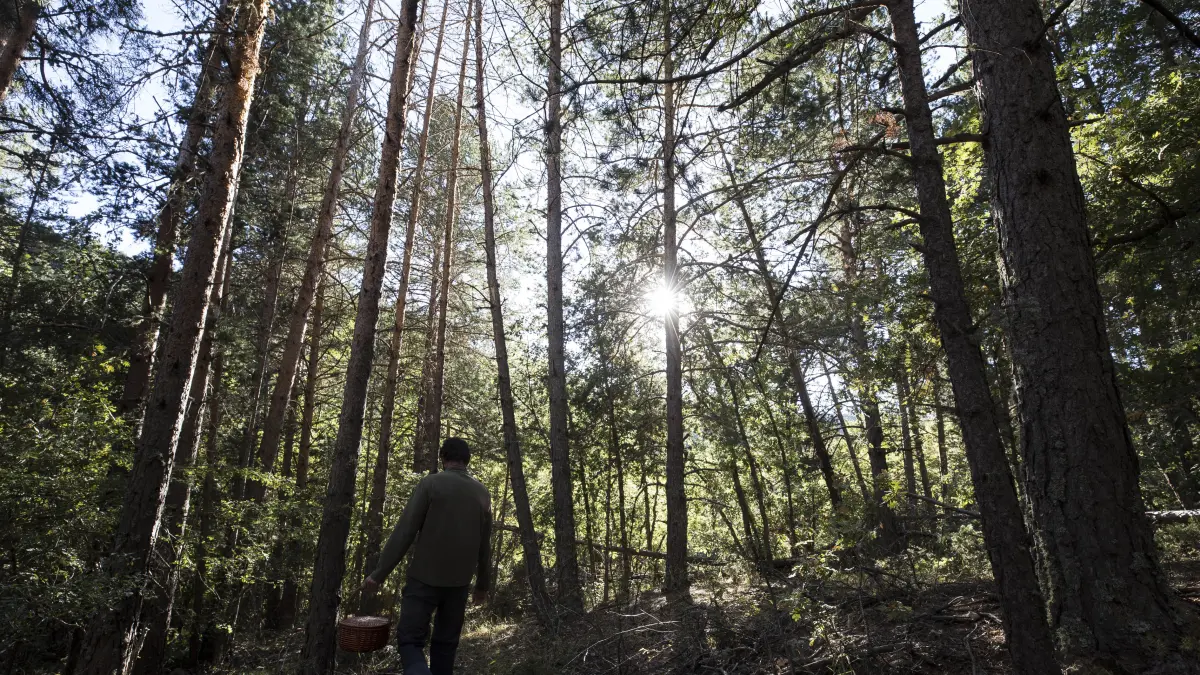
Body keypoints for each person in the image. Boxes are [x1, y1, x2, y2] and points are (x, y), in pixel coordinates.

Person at [361, 437, 492, 675]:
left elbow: (405, 531)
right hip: (459, 584)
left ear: (443, 458)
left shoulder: (431, 484)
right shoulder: (482, 493)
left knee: (410, 641)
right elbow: (485, 546)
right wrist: (482, 585)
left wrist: (379, 574)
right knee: (445, 646)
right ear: (467, 460)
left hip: (423, 580)